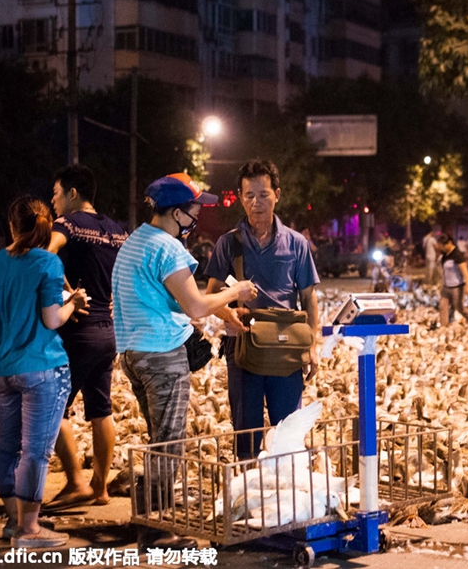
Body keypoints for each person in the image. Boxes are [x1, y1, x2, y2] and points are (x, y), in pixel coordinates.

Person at [112, 173, 257, 549]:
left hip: (133, 354)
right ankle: (158, 532)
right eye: (194, 209)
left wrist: (223, 314)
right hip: (162, 356)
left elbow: (177, 299)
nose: (197, 216)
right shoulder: (169, 248)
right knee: (169, 442)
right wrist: (235, 291)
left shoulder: (136, 242)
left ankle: (149, 520)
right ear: (176, 213)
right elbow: (193, 305)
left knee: (157, 440)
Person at [0, 196, 89, 548]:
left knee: (7, 447)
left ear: (12, 225)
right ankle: (30, 530)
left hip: (4, 368)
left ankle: (14, 523)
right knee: (35, 452)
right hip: (43, 367)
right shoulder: (48, 262)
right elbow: (52, 319)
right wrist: (73, 301)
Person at [204, 159, 320, 459]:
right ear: (240, 198)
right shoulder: (228, 243)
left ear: (277, 195)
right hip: (243, 347)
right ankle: (249, 492)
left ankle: (287, 496)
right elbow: (212, 293)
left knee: (289, 432)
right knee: (246, 432)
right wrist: (228, 313)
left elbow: (308, 297)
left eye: (263, 194)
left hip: (287, 348)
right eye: (249, 196)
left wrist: (314, 344)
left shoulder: (297, 243)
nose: (256, 203)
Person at [44, 164, 128, 511]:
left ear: (73, 194)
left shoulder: (67, 225)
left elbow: (44, 257)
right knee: (101, 408)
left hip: (76, 331)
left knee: (52, 409)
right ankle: (100, 487)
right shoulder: (117, 230)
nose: (52, 201)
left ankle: (76, 481)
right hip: (108, 332)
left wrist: (66, 292)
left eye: (56, 193)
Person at [438, 234, 468, 326]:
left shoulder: (457, 255)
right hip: (446, 286)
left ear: (449, 243)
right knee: (443, 307)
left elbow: (465, 272)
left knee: (460, 308)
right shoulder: (445, 255)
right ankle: (444, 327)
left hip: (457, 287)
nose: (441, 248)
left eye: (443, 245)